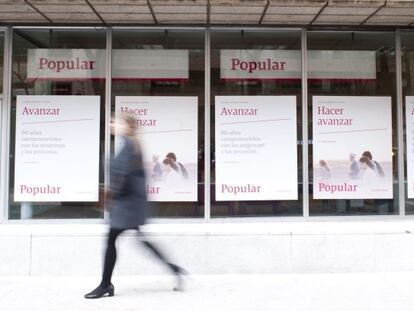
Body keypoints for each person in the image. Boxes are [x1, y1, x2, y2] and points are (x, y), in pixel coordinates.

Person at [84, 114, 186, 299]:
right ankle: (175, 270)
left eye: (116, 122)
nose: (112, 124)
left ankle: (106, 284)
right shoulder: (131, 144)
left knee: (112, 240)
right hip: (130, 204)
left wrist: (109, 196)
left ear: (127, 126)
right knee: (141, 241)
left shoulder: (130, 145)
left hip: (126, 205)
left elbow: (121, 175)